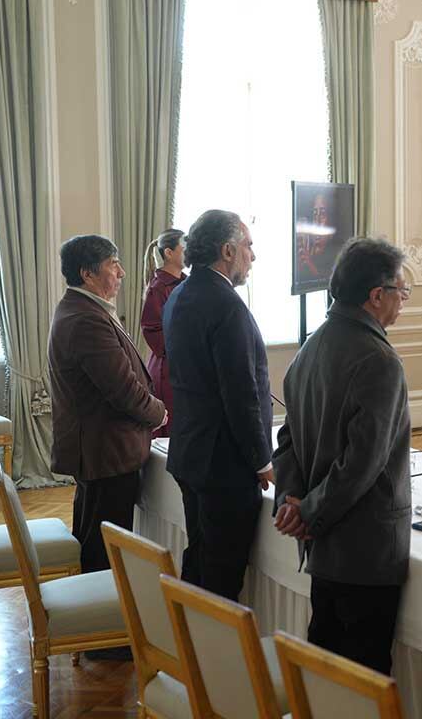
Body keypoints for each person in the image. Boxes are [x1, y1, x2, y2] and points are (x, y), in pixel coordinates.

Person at [271, 239, 411, 674]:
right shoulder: (379, 360)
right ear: (376, 296)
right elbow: (362, 465)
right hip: (365, 552)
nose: (402, 302)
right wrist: (308, 512)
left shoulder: (311, 347)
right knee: (363, 678)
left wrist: (292, 503)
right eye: (401, 292)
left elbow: (287, 439)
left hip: (324, 548)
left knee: (327, 668)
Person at [164, 209, 274, 600]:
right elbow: (239, 394)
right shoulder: (227, 305)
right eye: (248, 246)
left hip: (191, 451)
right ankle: (214, 658)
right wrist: (262, 461)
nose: (253, 256)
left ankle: (190, 653)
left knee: (200, 561)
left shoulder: (180, 293)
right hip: (224, 464)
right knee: (222, 580)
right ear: (228, 251)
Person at [49, 234, 167, 574]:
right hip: (106, 451)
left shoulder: (81, 309)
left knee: (94, 539)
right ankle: (105, 617)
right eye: (113, 264)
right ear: (88, 274)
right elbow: (123, 390)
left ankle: (94, 611)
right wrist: (159, 412)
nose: (122, 272)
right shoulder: (85, 318)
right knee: (105, 552)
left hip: (100, 448)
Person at [140, 228, 186, 438]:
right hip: (168, 369)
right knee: (171, 430)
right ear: (169, 252)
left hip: (183, 365)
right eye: (185, 247)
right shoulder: (158, 288)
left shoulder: (187, 283)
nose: (190, 251)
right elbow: (152, 330)